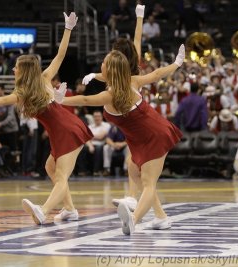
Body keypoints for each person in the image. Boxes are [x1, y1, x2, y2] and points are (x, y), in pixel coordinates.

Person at [0, 12, 93, 224]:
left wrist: (68, 29)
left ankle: (43, 210)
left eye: (16, 67)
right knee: (50, 168)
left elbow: (61, 55)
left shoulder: (42, 81)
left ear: (24, 71)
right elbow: (59, 56)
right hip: (61, 131)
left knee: (62, 175)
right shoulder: (32, 87)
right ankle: (70, 209)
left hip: (69, 130)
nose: (13, 69)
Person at [55, 44, 185, 235]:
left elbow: (84, 100)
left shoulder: (110, 95)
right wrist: (176, 63)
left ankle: (133, 220)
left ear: (111, 70)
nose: (101, 65)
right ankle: (161, 217)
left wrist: (62, 100)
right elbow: (155, 75)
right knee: (133, 170)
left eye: (104, 63)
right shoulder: (129, 82)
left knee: (148, 182)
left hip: (155, 135)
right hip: (139, 140)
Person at [83, 4, 144, 211]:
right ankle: (138, 199)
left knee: (134, 159)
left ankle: (135, 198)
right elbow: (137, 40)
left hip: (130, 113)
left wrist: (140, 17)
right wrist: (139, 18)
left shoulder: (128, 73)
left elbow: (137, 42)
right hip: (124, 114)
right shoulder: (122, 71)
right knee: (134, 161)